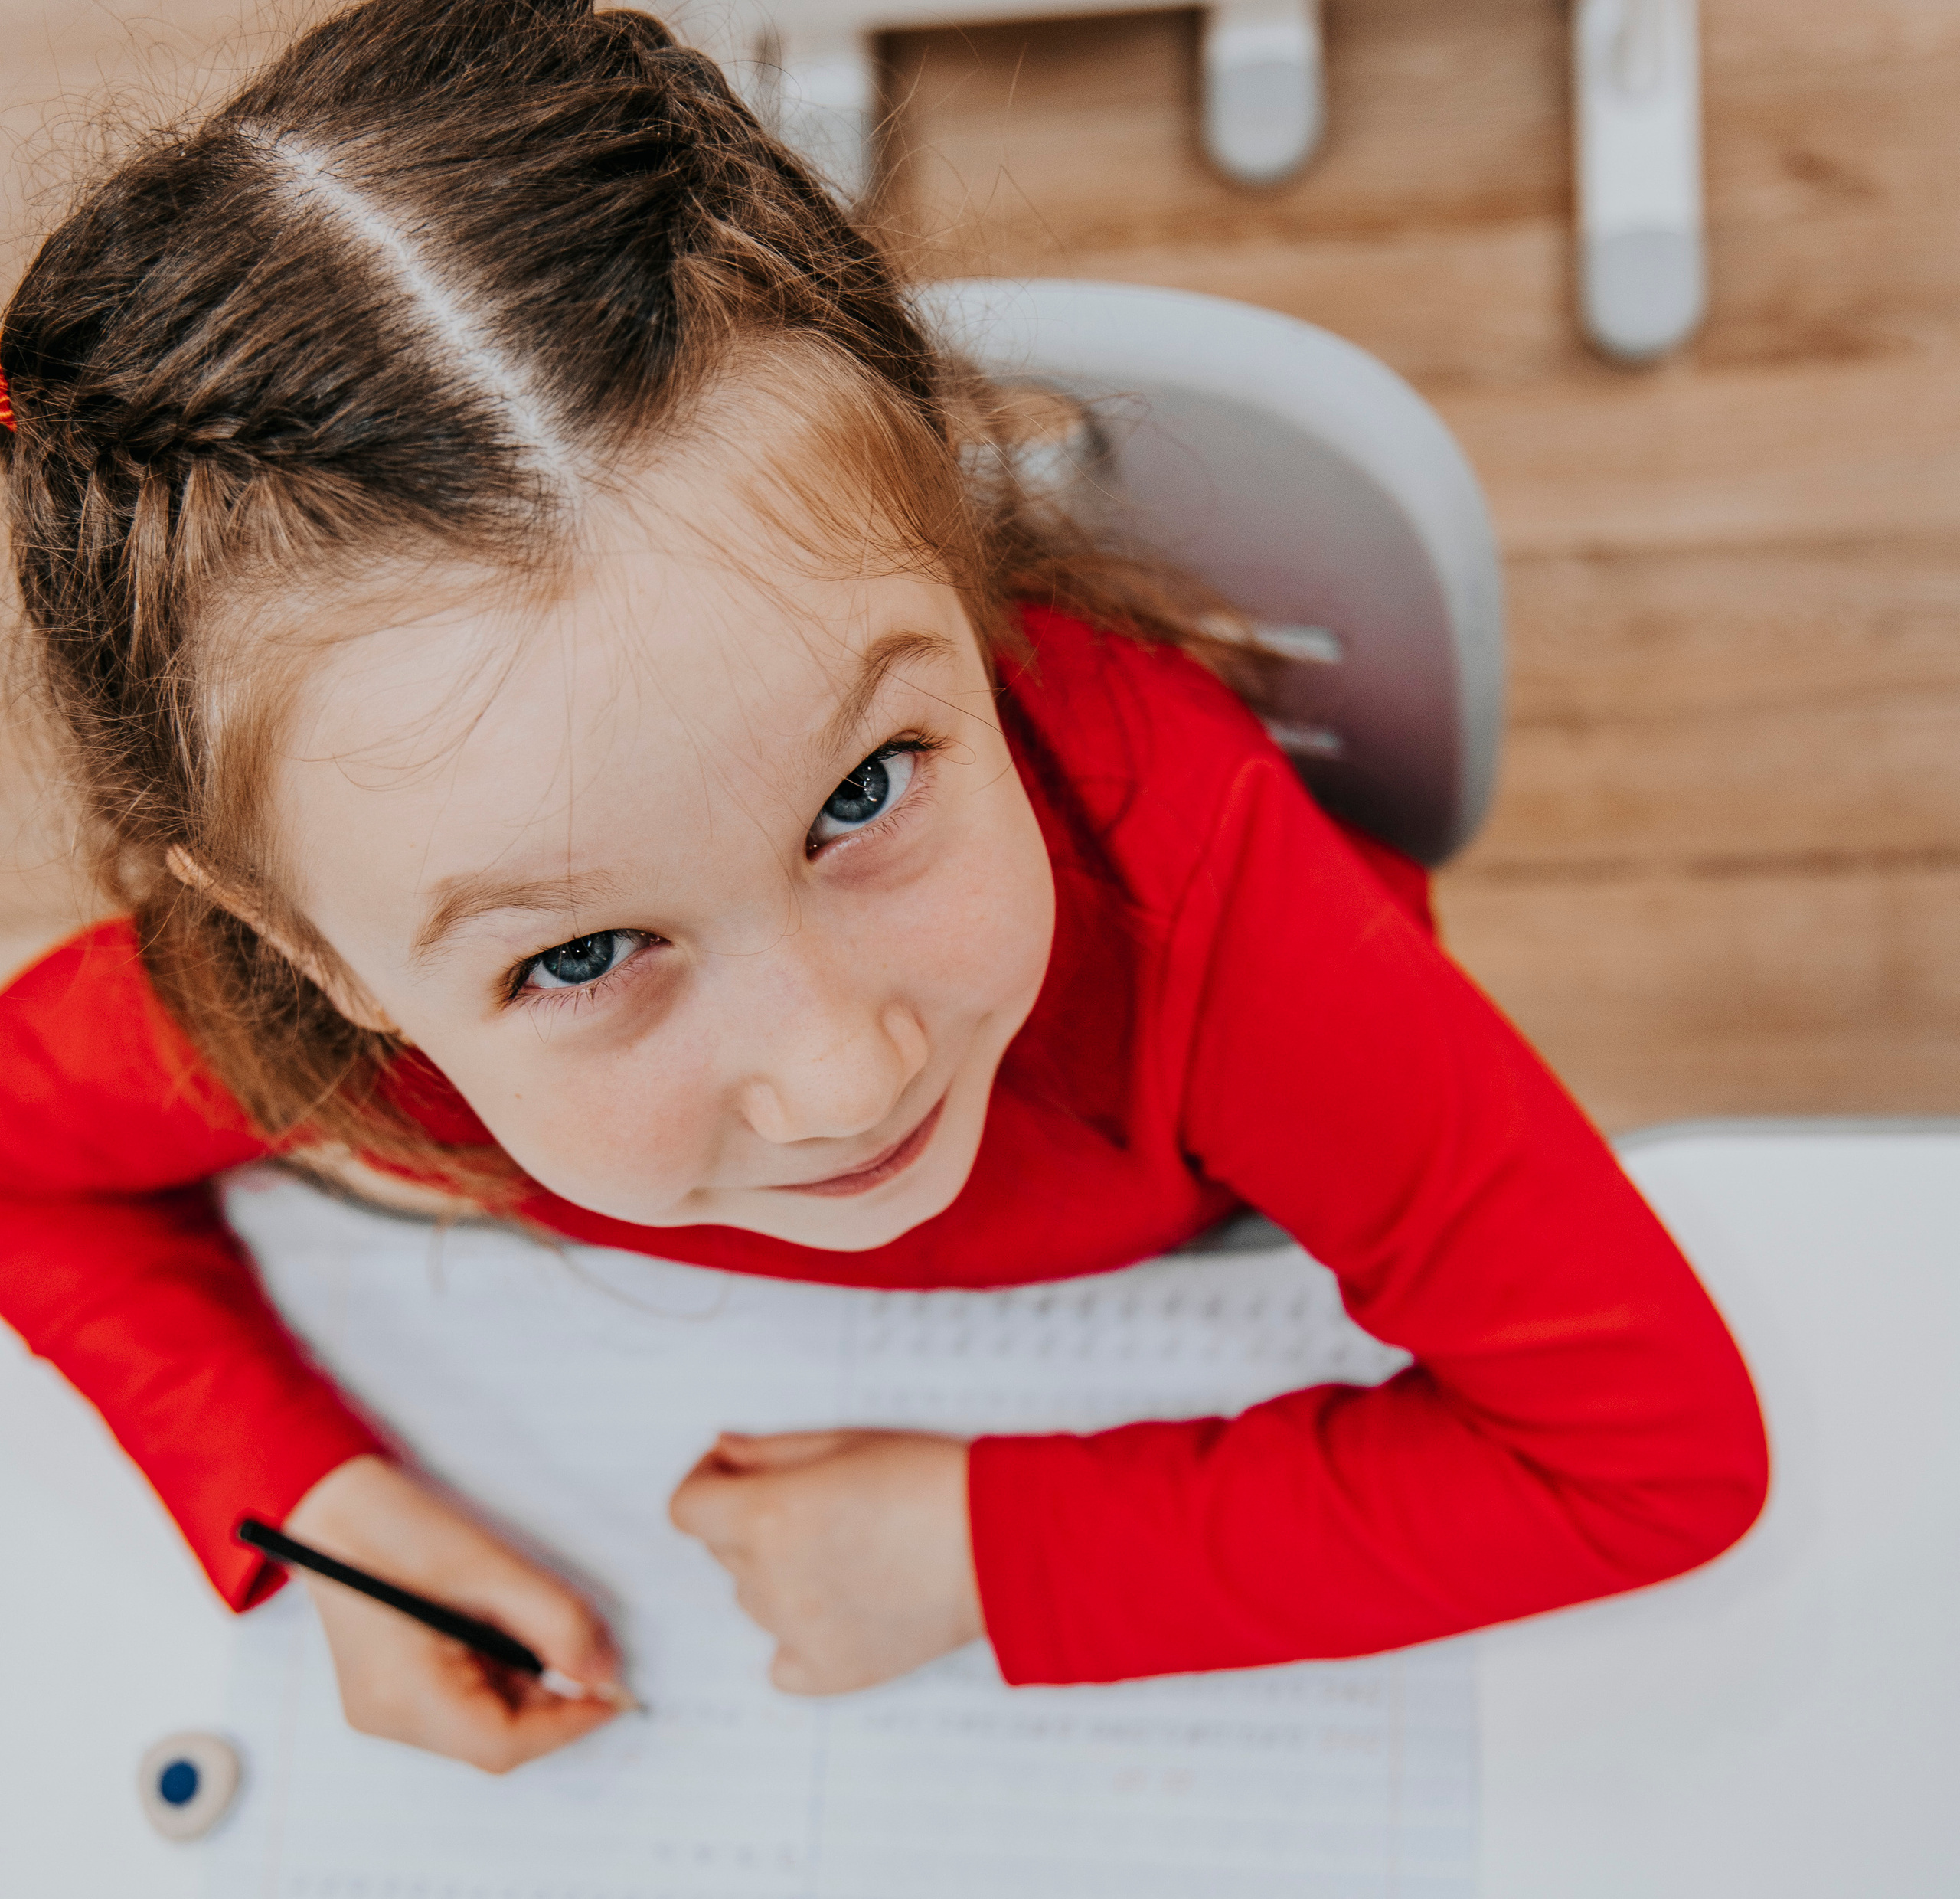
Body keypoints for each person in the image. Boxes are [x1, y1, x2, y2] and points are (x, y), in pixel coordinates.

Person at [0, 0, 1768, 1773]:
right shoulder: (278, 1019)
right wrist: (313, 1509)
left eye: (861, 791)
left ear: (943, 540)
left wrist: (985, 1553)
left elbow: (1646, 1451)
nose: (845, 1082)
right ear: (313, 946)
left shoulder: (1196, 882)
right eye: (587, 954)